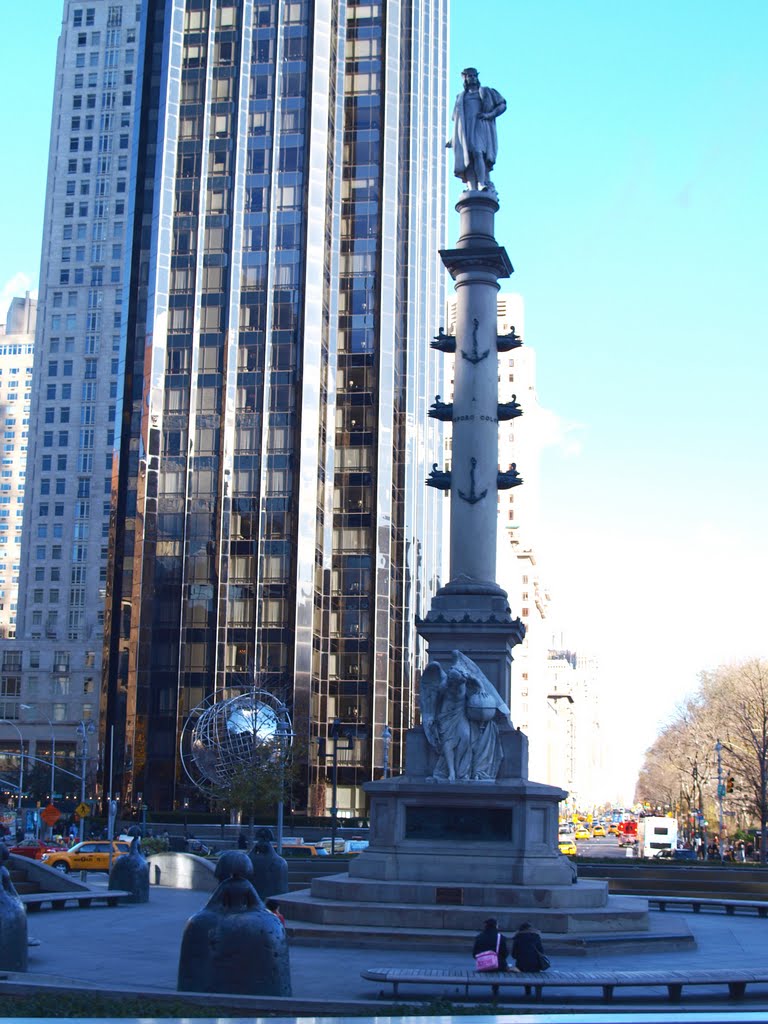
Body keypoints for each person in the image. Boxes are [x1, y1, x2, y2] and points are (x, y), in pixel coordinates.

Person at [447, 68, 507, 191]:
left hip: (480, 126)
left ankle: (481, 182)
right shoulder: (460, 97)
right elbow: (457, 121)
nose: (473, 78)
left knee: (478, 152)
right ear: (465, 78)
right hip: (465, 130)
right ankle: (471, 188)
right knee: (467, 158)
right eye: (470, 76)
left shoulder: (485, 91)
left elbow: (502, 105)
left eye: (475, 75)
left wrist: (489, 115)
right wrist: (454, 138)